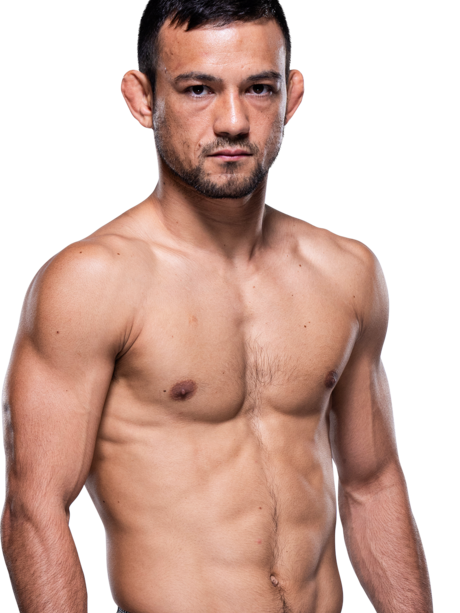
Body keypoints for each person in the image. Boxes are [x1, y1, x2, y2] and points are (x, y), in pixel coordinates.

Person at [1, 1, 433, 612]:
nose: (233, 122)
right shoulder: (94, 281)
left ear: (291, 97)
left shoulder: (345, 272)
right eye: (198, 89)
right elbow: (35, 508)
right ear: (143, 99)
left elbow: (373, 482)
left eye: (258, 88)